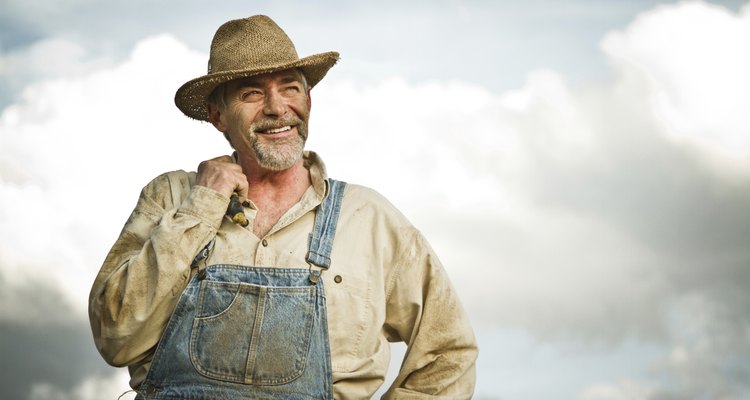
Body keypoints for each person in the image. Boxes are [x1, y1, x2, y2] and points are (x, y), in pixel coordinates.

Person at [88, 15, 477, 400]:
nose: (277, 108)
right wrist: (201, 208)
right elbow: (114, 337)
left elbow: (448, 352)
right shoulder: (171, 198)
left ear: (308, 100)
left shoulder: (369, 218)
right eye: (252, 94)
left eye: (289, 88)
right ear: (217, 115)